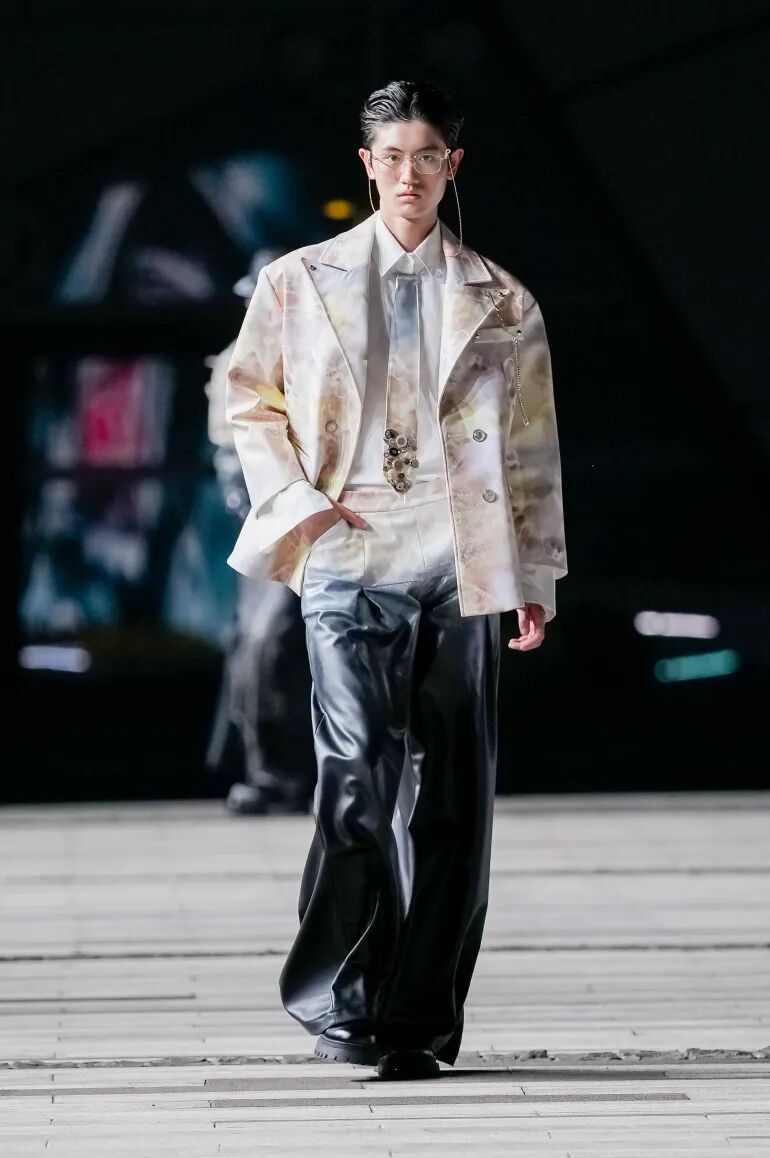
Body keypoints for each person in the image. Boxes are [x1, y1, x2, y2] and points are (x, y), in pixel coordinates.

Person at [225, 80, 567, 1080]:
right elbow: (249, 401)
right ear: (366, 166)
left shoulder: (503, 299)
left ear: (452, 165)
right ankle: (344, 1001)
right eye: (391, 156)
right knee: (355, 776)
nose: (408, 174)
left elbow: (531, 449)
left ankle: (419, 1018)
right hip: (348, 553)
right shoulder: (297, 280)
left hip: (462, 559)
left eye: (427, 156)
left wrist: (534, 573)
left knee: (455, 797)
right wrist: (300, 505)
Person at [205, 249, 316, 815]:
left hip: (326, 518)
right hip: (272, 521)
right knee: (263, 642)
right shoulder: (237, 360)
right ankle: (270, 770)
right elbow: (233, 457)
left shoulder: (323, 352)